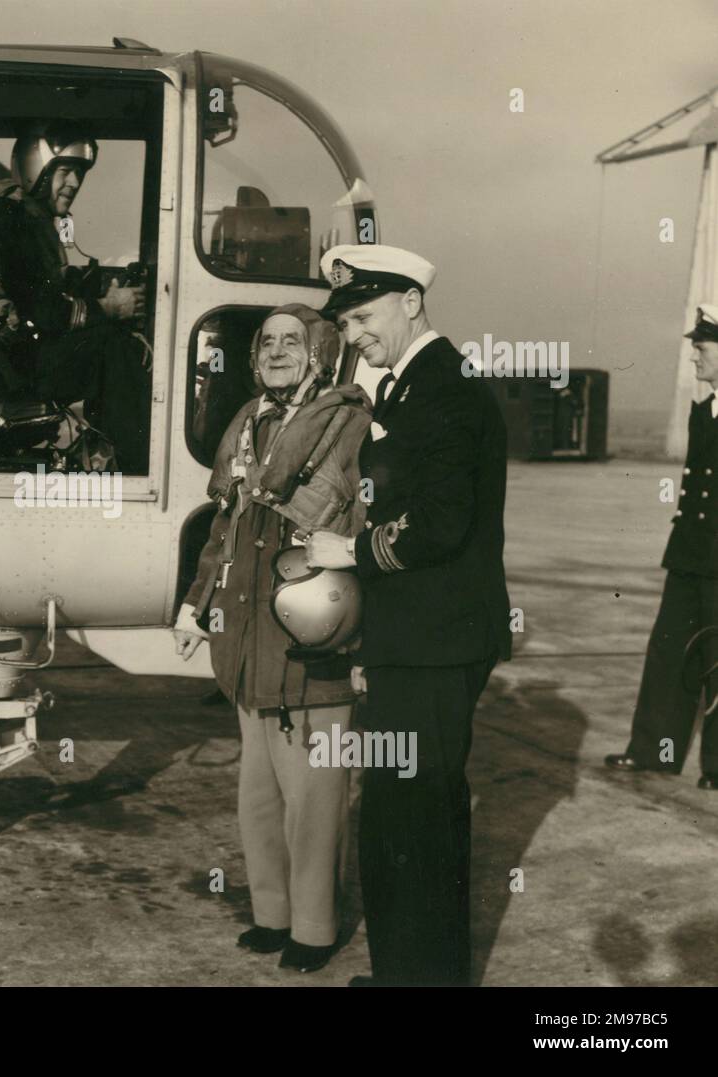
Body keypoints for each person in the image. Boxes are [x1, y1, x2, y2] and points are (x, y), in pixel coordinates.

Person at [305, 244, 511, 987]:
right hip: (410, 639)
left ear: (411, 303)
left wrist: (349, 549)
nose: (354, 333)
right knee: (394, 816)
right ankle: (406, 976)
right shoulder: (405, 388)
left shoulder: (445, 389)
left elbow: (442, 523)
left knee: (417, 821)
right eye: (347, 319)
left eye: (362, 315)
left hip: (438, 640)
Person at [173, 304, 371, 974]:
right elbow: (224, 525)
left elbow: (367, 515)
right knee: (258, 794)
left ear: (320, 351)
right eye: (267, 342)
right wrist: (194, 605)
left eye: (293, 340)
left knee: (314, 801)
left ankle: (315, 927)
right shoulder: (249, 422)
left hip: (311, 637)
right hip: (249, 640)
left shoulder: (351, 423)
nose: (277, 351)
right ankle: (272, 913)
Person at [0, 121, 151, 472]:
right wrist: (111, 308)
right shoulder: (5, 218)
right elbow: (47, 312)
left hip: (14, 354)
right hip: (0, 362)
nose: (74, 183)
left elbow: (41, 291)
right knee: (112, 349)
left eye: (78, 174)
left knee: (111, 341)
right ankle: (132, 467)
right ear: (35, 168)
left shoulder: (29, 216)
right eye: (66, 172)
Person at [606, 303, 718, 788]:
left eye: (702, 348)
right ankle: (654, 748)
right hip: (691, 553)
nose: (694, 357)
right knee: (669, 651)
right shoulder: (705, 410)